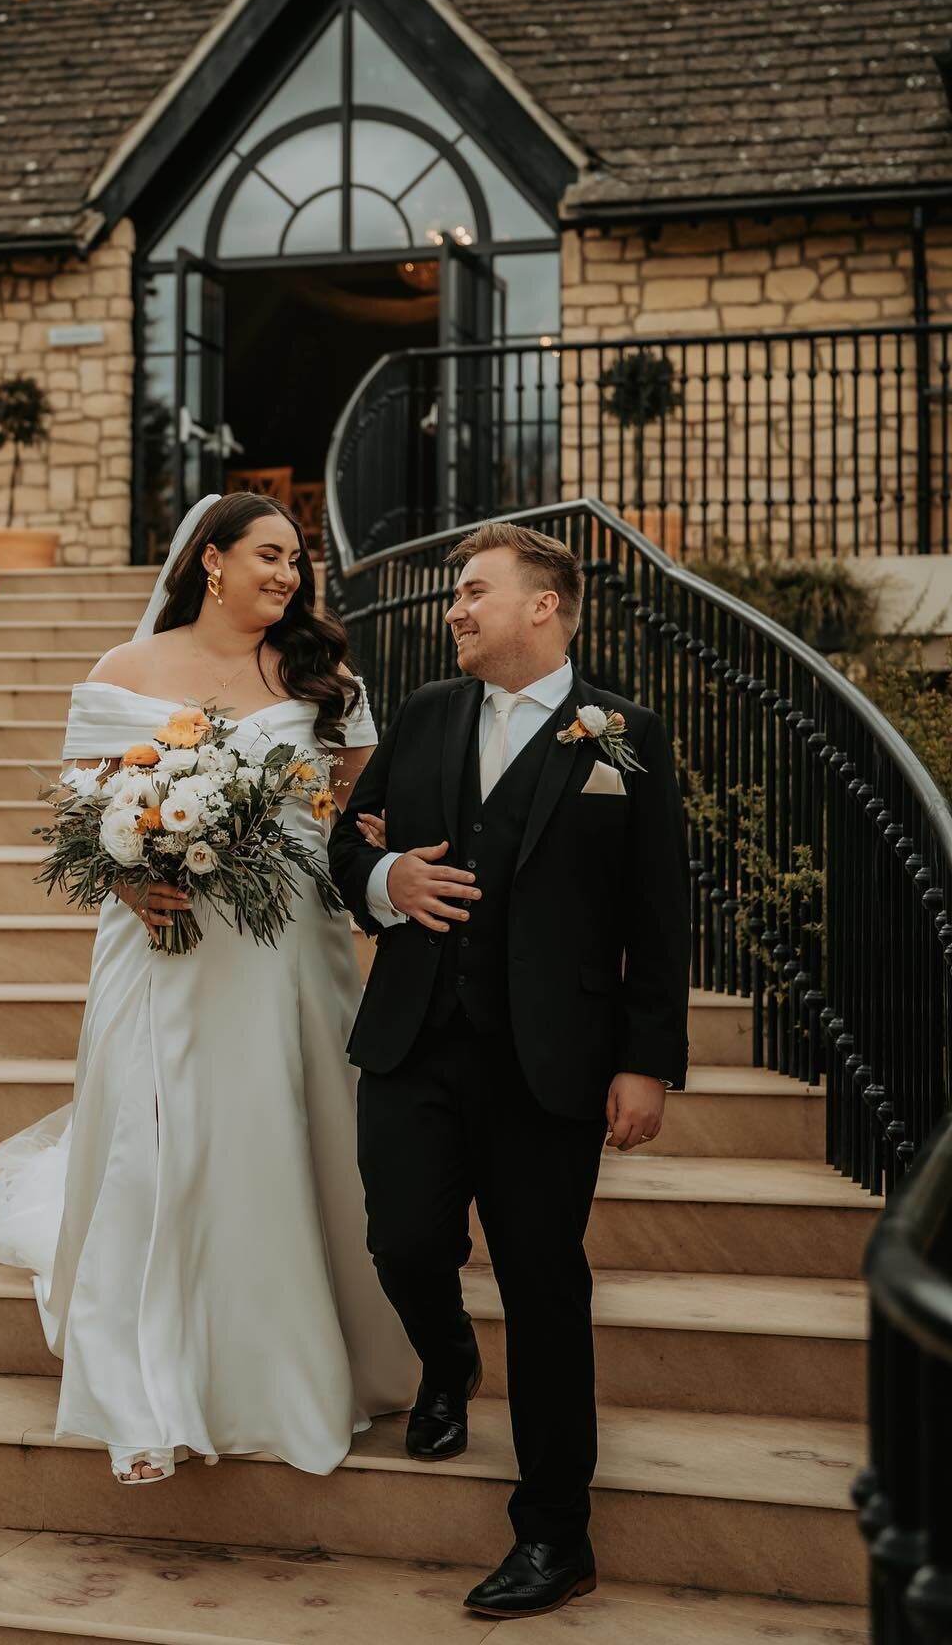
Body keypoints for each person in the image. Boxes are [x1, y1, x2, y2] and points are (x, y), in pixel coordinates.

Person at [0, 491, 417, 1486]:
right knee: (152, 1138)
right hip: (159, 942)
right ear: (211, 561)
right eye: (270, 555)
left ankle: (291, 1356)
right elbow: (84, 811)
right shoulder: (122, 673)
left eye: (298, 563)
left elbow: (358, 814)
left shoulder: (322, 677)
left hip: (287, 949)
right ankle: (144, 1387)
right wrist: (135, 878)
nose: (289, 575)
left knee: (277, 1129)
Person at [329, 520, 690, 1621]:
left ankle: (554, 1532)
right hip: (415, 1038)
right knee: (402, 1240)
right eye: (455, 593)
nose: (454, 608)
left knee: (543, 1286)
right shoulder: (432, 715)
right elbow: (347, 843)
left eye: (474, 590)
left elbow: (656, 910)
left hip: (553, 1064)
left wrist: (648, 1062)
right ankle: (445, 1361)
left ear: (546, 604)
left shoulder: (624, 735)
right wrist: (388, 879)